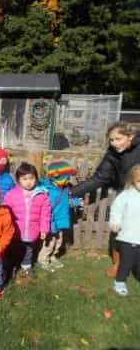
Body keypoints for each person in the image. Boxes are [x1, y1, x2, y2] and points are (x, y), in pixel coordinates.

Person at [72, 122, 140, 278]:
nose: (114, 143)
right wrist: (71, 193)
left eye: (118, 139)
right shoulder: (112, 154)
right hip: (126, 196)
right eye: (111, 140)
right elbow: (100, 178)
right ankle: (118, 263)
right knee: (118, 230)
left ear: (130, 136)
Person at [3, 162, 51, 278]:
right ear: (18, 180)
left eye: (31, 178)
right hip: (15, 231)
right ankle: (12, 266)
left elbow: (45, 214)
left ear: (36, 178)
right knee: (14, 249)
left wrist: (44, 229)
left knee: (28, 251)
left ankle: (26, 267)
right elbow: (5, 212)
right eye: (24, 179)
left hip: (32, 231)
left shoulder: (41, 194)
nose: (28, 182)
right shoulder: (12, 194)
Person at [37, 160, 79, 272]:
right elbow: (47, 210)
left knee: (59, 242)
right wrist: (50, 223)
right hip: (51, 222)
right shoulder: (50, 191)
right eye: (67, 177)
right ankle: (43, 259)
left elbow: (66, 201)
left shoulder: (64, 188)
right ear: (58, 177)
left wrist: (76, 202)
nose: (69, 180)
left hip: (61, 220)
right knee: (49, 243)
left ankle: (53, 256)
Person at [109, 165, 140, 296]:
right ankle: (120, 281)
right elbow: (116, 209)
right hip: (128, 236)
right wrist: (115, 222)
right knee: (127, 261)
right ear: (133, 180)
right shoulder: (126, 195)